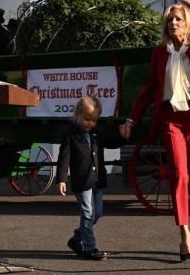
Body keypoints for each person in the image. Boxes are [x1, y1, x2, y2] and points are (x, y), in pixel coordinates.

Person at [119, 0, 190, 261]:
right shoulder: (159, 54)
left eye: (178, 19)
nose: (173, 23)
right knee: (179, 175)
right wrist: (131, 118)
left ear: (187, 22)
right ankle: (182, 234)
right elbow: (148, 90)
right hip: (171, 119)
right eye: (170, 20)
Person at [57, 96, 108, 261]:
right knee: (88, 213)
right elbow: (64, 158)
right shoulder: (70, 134)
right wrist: (62, 179)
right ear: (77, 114)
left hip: (97, 179)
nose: (90, 123)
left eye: (94, 120)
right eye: (86, 119)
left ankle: (77, 238)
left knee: (97, 214)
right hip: (82, 180)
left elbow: (110, 142)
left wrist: (123, 137)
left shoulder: (96, 132)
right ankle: (90, 247)